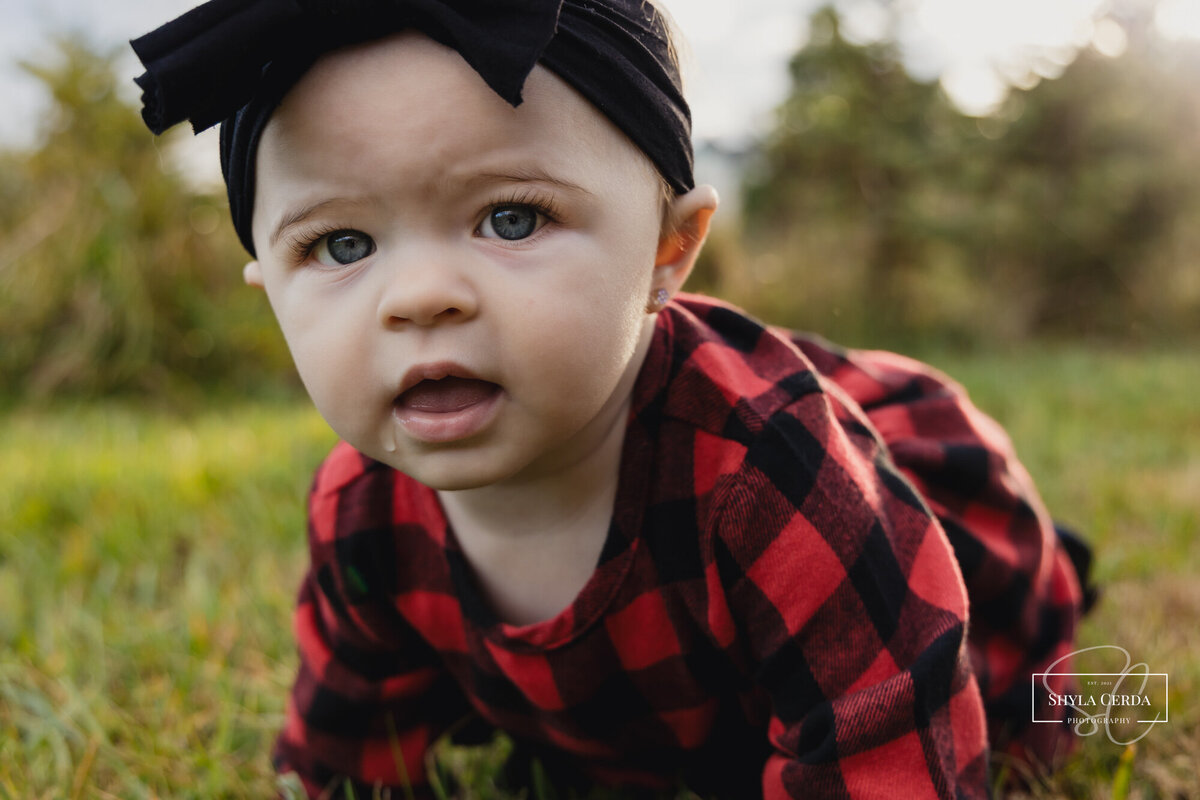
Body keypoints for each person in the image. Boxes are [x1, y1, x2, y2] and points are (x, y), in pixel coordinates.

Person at [130, 1, 1090, 797]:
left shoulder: (772, 473)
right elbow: (346, 750)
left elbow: (891, 748)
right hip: (657, 709)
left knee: (1027, 716)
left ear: (670, 250)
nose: (421, 296)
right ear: (271, 289)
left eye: (511, 219)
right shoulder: (362, 516)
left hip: (921, 595)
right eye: (340, 246)